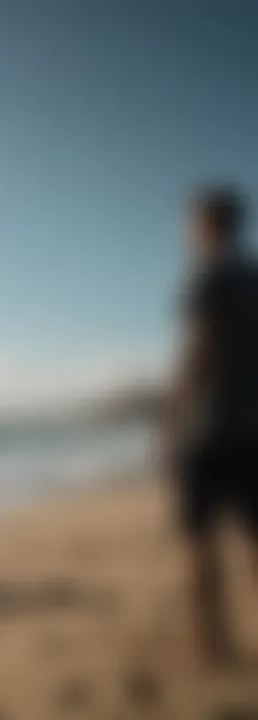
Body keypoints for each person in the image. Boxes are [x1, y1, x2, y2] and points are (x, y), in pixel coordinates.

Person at [165, 186, 258, 665]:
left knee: (200, 542)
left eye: (191, 222)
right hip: (253, 430)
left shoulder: (208, 278)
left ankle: (213, 644)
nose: (187, 231)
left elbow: (200, 354)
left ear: (208, 224)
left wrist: (172, 419)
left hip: (209, 431)